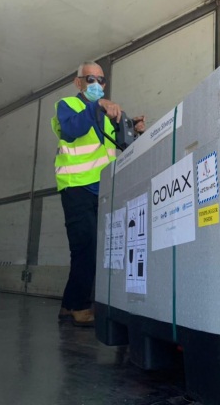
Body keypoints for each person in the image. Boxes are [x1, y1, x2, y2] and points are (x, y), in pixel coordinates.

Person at [51, 61, 146, 326]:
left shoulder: (107, 114)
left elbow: (123, 146)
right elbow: (71, 130)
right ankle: (80, 306)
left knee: (90, 249)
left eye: (101, 80)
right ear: (78, 82)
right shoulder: (68, 106)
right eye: (90, 79)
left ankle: (69, 305)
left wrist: (134, 131)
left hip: (103, 190)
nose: (96, 84)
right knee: (86, 246)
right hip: (77, 185)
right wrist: (98, 105)